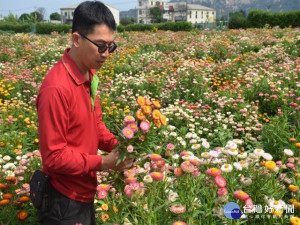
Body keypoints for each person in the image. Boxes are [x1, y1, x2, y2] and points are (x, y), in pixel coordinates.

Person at [35, 1, 133, 224]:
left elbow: (95, 127)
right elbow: (53, 158)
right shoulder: (56, 88)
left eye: (111, 46)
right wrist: (104, 163)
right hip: (63, 200)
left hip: (85, 190)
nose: (106, 54)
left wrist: (123, 146)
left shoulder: (88, 74)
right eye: (100, 45)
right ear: (77, 39)